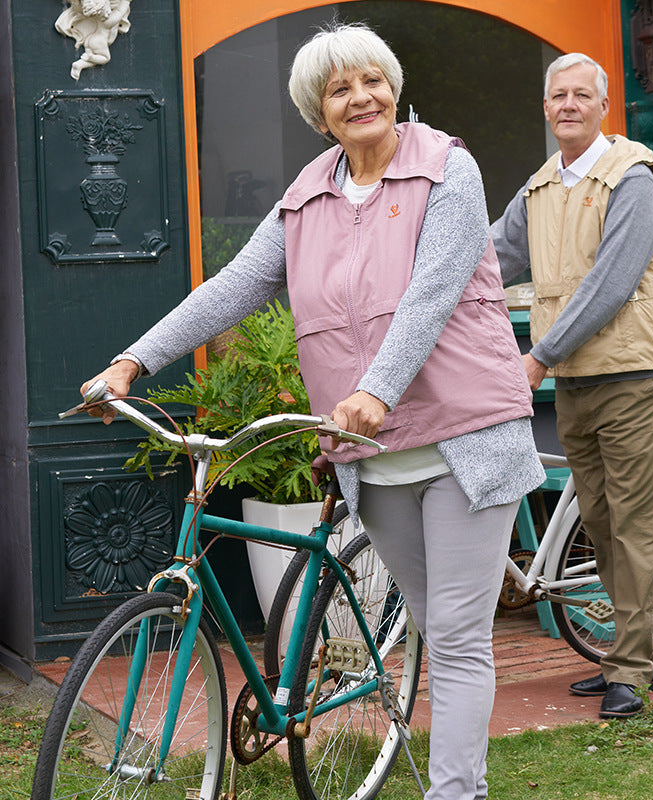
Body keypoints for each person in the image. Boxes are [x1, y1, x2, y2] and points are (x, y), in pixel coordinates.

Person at [81, 22, 544, 800]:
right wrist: (134, 360)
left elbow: (431, 295)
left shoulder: (448, 169)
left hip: (465, 437)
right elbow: (231, 287)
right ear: (318, 112)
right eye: (340, 89)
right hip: (370, 450)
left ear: (393, 86)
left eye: (372, 80)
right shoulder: (308, 196)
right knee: (431, 622)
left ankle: (457, 793)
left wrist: (378, 388)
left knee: (459, 636)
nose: (361, 97)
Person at [491, 52, 653, 719]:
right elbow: (491, 258)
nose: (567, 104)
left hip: (630, 373)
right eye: (556, 95)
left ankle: (629, 667)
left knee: (631, 523)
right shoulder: (540, 187)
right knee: (598, 522)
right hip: (573, 378)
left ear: (604, 105)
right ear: (545, 107)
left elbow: (611, 283)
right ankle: (643, 650)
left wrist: (537, 356)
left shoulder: (631, 175)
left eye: (580, 95)